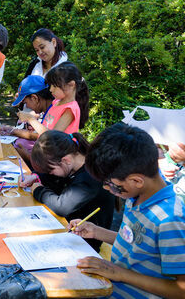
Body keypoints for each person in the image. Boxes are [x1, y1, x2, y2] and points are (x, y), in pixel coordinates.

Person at [69, 123, 185, 298]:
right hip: (111, 290)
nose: (107, 189)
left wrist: (120, 274)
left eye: (110, 184)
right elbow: (138, 244)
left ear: (136, 181)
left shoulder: (170, 220)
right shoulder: (134, 197)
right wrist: (96, 232)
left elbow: (181, 290)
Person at [19, 130, 114, 251]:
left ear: (66, 160)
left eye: (50, 170)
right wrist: (36, 176)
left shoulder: (91, 177)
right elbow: (54, 177)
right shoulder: (73, 165)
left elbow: (61, 206)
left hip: (85, 242)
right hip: (68, 228)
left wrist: (38, 190)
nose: (50, 174)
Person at [17, 61, 89, 135]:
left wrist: (30, 119)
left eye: (54, 86)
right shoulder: (56, 101)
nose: (51, 89)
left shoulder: (70, 109)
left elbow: (53, 136)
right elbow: (48, 123)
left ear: (71, 85)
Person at [0, 75, 54, 158]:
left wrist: (27, 156)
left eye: (25, 103)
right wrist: (12, 130)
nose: (27, 107)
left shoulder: (54, 112)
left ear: (34, 98)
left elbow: (50, 138)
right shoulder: (48, 111)